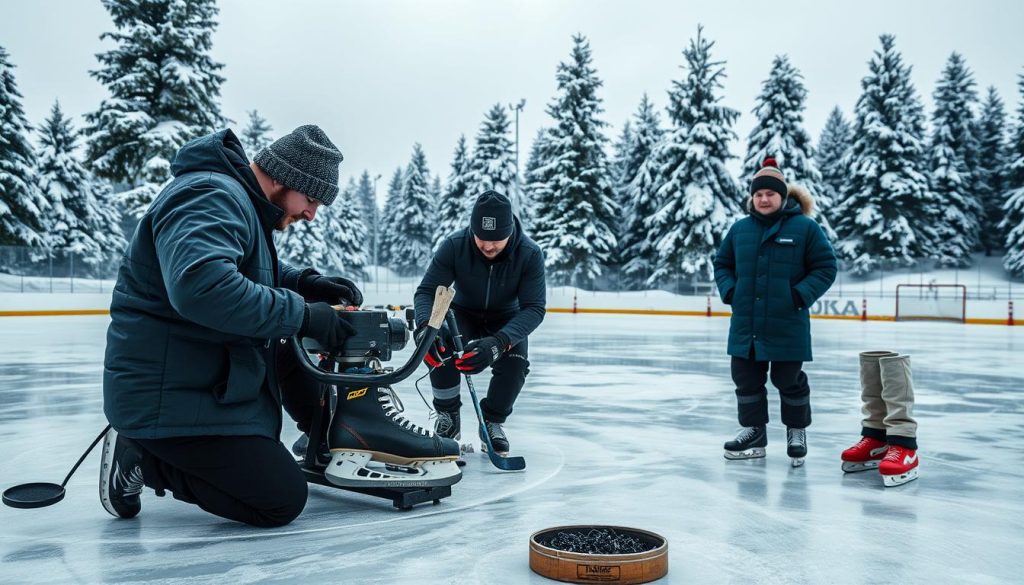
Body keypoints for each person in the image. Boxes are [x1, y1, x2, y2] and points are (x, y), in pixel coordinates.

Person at [100, 125, 365, 527]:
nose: (311, 213)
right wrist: (303, 313)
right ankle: (141, 454)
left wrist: (303, 282)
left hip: (203, 373)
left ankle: (328, 438)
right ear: (282, 177)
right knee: (280, 499)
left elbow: (243, 266)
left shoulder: (235, 199)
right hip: (166, 397)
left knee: (291, 348)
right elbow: (200, 286)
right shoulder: (209, 194)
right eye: (310, 198)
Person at [713, 157, 837, 466]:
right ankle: (754, 432)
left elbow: (825, 267)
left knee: (788, 379)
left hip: (787, 321)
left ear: (782, 196)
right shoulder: (740, 229)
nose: (764, 199)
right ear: (752, 198)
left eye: (770, 194)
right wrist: (731, 291)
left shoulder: (805, 228)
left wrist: (799, 295)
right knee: (745, 378)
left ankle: (796, 430)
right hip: (746, 322)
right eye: (758, 194)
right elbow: (722, 264)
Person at [413, 190, 546, 454]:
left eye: (497, 240)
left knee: (515, 364)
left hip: (507, 317)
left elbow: (534, 308)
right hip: (462, 312)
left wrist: (499, 343)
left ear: (511, 232)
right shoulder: (455, 245)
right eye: (481, 238)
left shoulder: (529, 254)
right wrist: (426, 328)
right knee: (440, 345)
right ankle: (448, 417)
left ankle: (493, 421)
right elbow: (427, 291)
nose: (488, 246)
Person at [840, 351, 920, 486]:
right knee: (872, 365)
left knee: (893, 366)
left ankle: (904, 446)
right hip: (877, 436)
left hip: (905, 445)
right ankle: (877, 438)